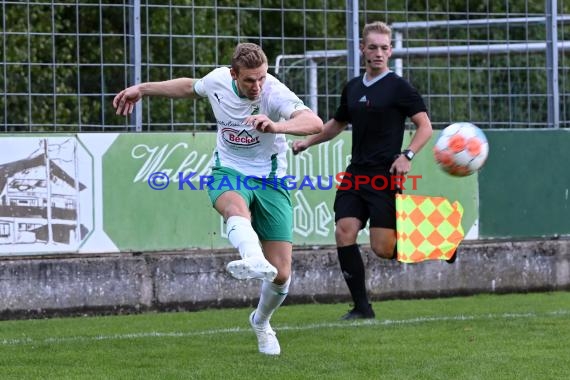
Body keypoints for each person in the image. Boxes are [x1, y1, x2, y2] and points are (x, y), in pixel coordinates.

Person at [113, 42, 323, 354]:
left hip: (270, 179)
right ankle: (252, 256)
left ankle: (261, 322)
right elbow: (188, 87)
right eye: (250, 80)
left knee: (281, 274)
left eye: (262, 77)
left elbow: (315, 123)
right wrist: (142, 88)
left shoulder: (274, 91)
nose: (257, 85)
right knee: (235, 208)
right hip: (228, 171)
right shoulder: (217, 81)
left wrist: (276, 124)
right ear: (233, 74)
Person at [293, 21, 433, 320]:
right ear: (362, 49)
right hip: (356, 174)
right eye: (373, 47)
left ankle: (434, 243)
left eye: (384, 48)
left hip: (385, 176)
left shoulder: (399, 87)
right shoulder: (353, 87)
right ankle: (362, 308)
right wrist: (308, 141)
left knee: (383, 249)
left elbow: (425, 126)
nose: (378, 53)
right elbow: (336, 124)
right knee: (344, 232)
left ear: (390, 51)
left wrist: (407, 155)